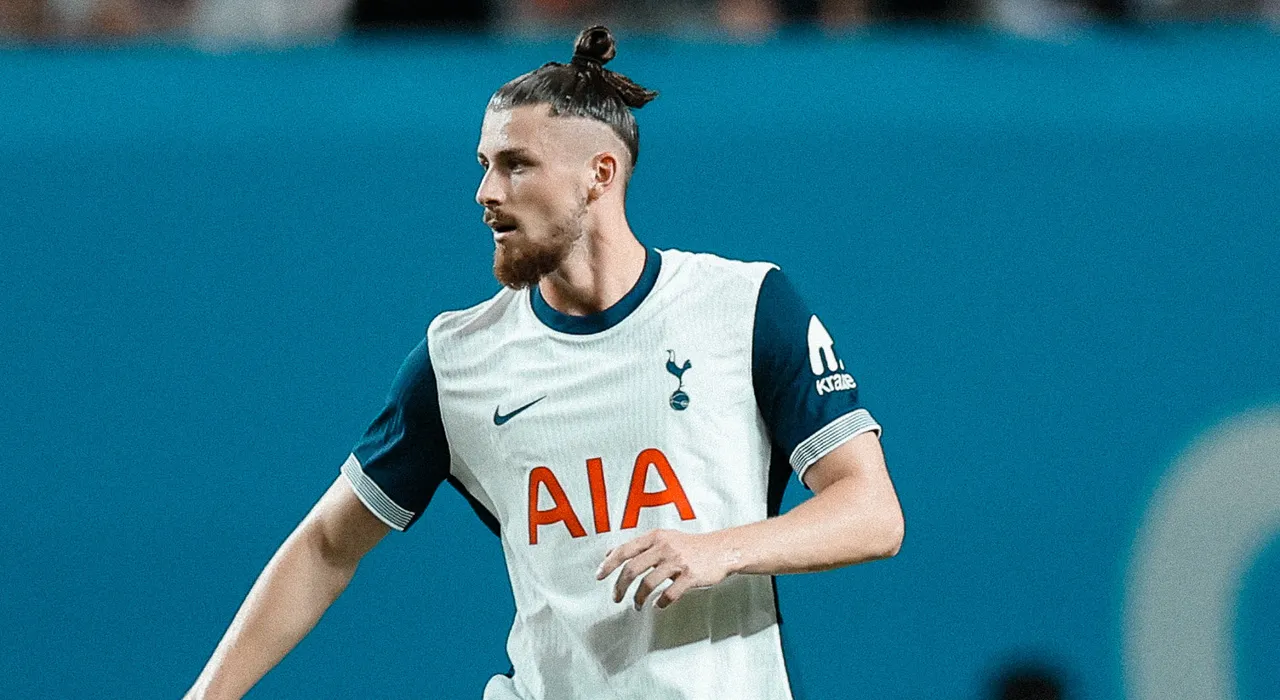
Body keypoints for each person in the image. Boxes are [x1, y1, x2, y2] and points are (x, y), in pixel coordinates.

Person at [183, 25, 904, 700]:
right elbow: (326, 546)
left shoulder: (746, 306)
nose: (486, 193)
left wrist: (722, 550)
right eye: (484, 166)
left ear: (599, 174)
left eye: (515, 165)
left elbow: (872, 512)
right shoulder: (458, 359)